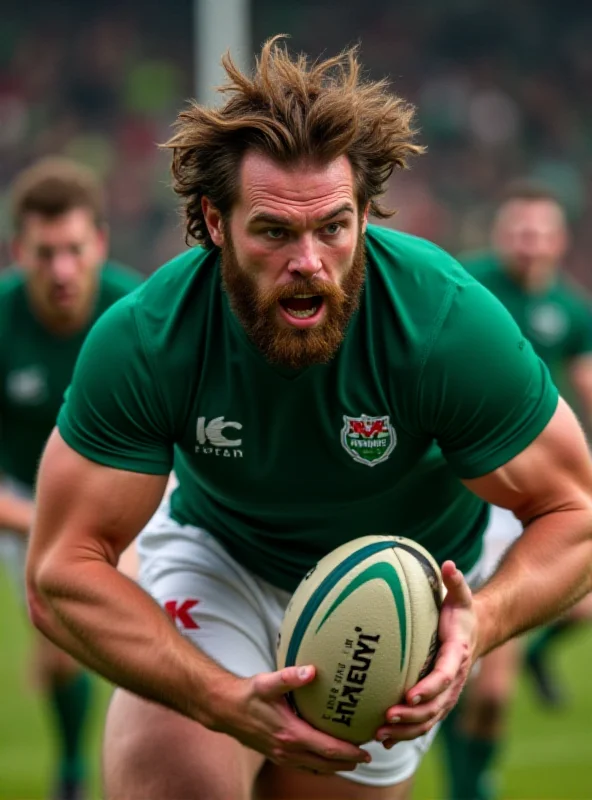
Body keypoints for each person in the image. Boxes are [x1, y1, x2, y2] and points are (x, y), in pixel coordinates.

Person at [25, 38, 592, 800]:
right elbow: (61, 571)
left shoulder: (445, 324)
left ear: (365, 214)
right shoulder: (148, 337)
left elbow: (575, 514)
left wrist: (478, 623)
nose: (309, 261)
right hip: (224, 562)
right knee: (176, 781)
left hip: (396, 599)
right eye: (274, 231)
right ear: (215, 222)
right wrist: (214, 697)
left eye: (333, 226)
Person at [440, 183, 592, 800]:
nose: (529, 242)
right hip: (481, 494)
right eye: (519, 230)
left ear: (560, 241)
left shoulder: (573, 309)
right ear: (501, 235)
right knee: (487, 690)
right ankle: (468, 786)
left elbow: (585, 382)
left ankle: (530, 652)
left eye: (541, 231)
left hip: (545, 491)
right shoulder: (470, 288)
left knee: (582, 602)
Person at [0, 156, 142, 800]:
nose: (61, 271)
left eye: (75, 251)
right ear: (17, 251)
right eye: (44, 253)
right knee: (61, 645)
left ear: (101, 244)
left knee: (144, 632)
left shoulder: (138, 312)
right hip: (23, 501)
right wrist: (53, 529)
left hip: (124, 489)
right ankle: (70, 769)